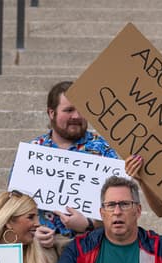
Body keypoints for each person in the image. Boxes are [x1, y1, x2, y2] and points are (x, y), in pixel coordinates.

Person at [29, 80, 120, 239]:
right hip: (42, 247)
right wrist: (32, 230)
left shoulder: (103, 149)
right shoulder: (34, 150)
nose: (76, 116)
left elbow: (120, 204)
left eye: (82, 109)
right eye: (69, 110)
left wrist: (89, 224)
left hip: (92, 245)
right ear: (51, 113)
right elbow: (16, 204)